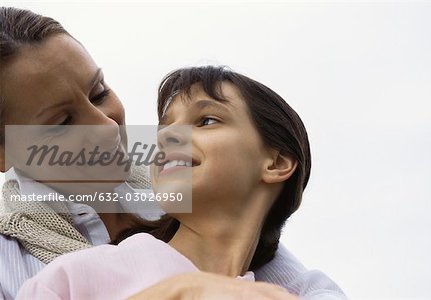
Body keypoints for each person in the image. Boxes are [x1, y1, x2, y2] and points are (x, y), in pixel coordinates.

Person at [0, 7, 347, 300]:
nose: (107, 127)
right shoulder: (47, 276)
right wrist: (179, 291)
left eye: (99, 92)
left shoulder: (193, 206)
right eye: (62, 123)